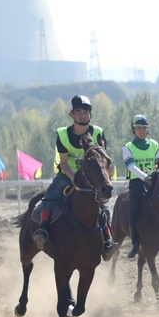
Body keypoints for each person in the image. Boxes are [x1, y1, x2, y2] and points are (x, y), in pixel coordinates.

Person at [33, 95, 116, 258]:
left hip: (92, 177)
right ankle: (43, 229)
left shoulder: (98, 132)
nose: (82, 115)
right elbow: (63, 162)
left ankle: (107, 240)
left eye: (85, 111)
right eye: (78, 111)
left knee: (104, 204)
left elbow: (103, 159)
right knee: (50, 195)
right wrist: (73, 179)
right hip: (68, 174)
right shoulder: (63, 134)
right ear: (71, 115)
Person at [122, 114, 159, 259]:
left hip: (153, 182)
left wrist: (154, 177)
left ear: (147, 130)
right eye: (138, 128)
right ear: (133, 130)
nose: (141, 130)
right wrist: (145, 177)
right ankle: (135, 244)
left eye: (144, 128)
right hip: (137, 184)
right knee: (133, 211)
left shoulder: (155, 145)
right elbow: (131, 166)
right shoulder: (127, 147)